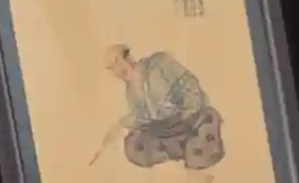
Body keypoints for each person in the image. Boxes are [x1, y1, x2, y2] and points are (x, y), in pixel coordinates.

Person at [93, 44, 224, 173]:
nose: (116, 70)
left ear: (129, 57)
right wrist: (121, 124)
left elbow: (188, 82)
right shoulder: (131, 91)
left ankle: (193, 154)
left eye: (117, 61)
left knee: (207, 120)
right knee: (133, 144)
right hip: (164, 130)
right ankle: (177, 151)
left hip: (187, 118)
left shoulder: (159, 63)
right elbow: (140, 118)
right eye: (111, 68)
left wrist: (190, 109)